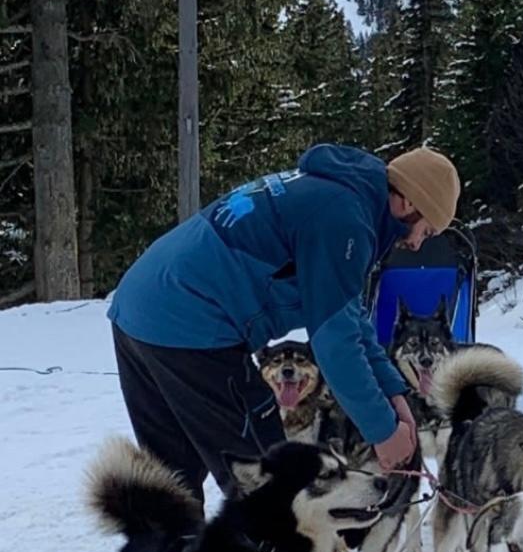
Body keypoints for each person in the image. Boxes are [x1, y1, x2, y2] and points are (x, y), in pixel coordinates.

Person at [108, 143, 461, 500]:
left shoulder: (340, 194)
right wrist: (383, 433)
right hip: (191, 321)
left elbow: (349, 317)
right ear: (410, 203)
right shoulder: (346, 221)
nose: (418, 244)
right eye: (427, 232)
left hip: (140, 304)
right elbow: (335, 346)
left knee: (172, 487)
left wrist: (394, 393)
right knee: (273, 486)